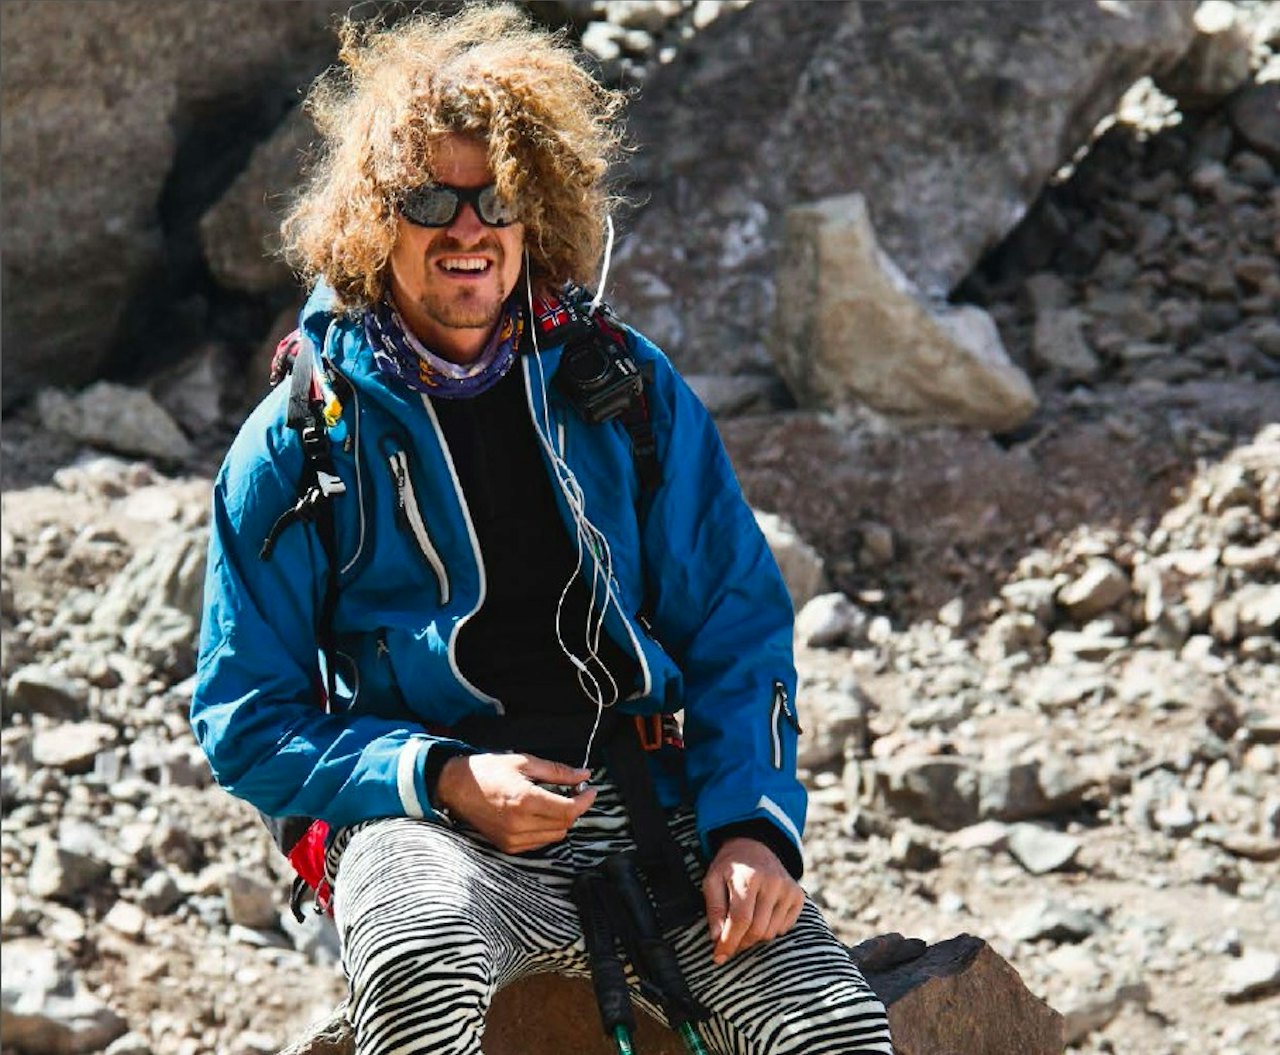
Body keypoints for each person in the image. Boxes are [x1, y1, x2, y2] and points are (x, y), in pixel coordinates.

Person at [191, 7, 892, 1054]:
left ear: (538, 212)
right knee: (415, 948)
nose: (467, 228)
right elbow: (246, 716)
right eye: (429, 199)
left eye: (499, 197)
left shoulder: (623, 387)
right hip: (433, 832)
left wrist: (750, 825)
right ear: (374, 220)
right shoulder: (301, 442)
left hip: (657, 825)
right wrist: (440, 777)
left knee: (834, 1032)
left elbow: (736, 622)